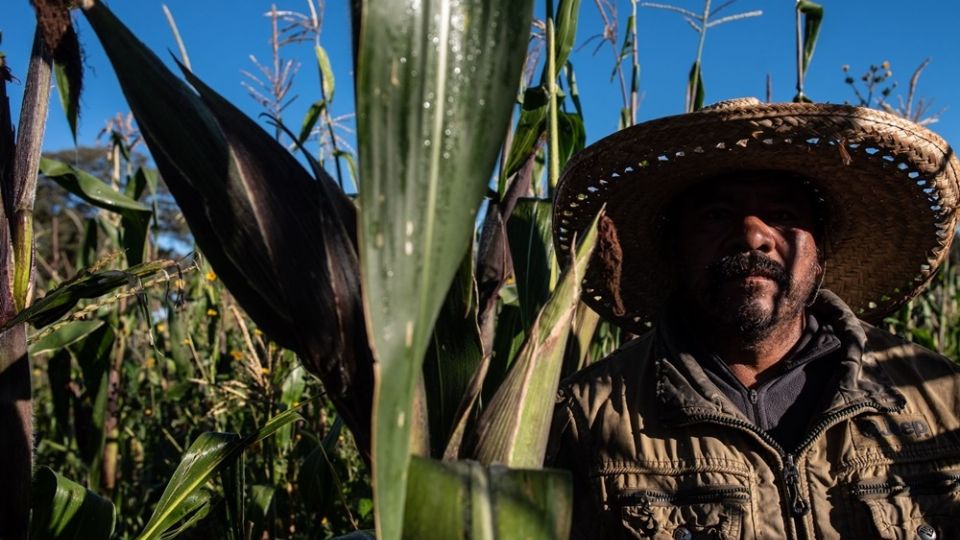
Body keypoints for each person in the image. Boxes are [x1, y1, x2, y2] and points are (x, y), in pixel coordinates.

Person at [547, 98, 960, 539]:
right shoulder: (588, 419)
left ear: (820, 252)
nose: (752, 236)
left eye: (782, 216)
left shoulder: (938, 397)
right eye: (716, 216)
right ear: (675, 248)